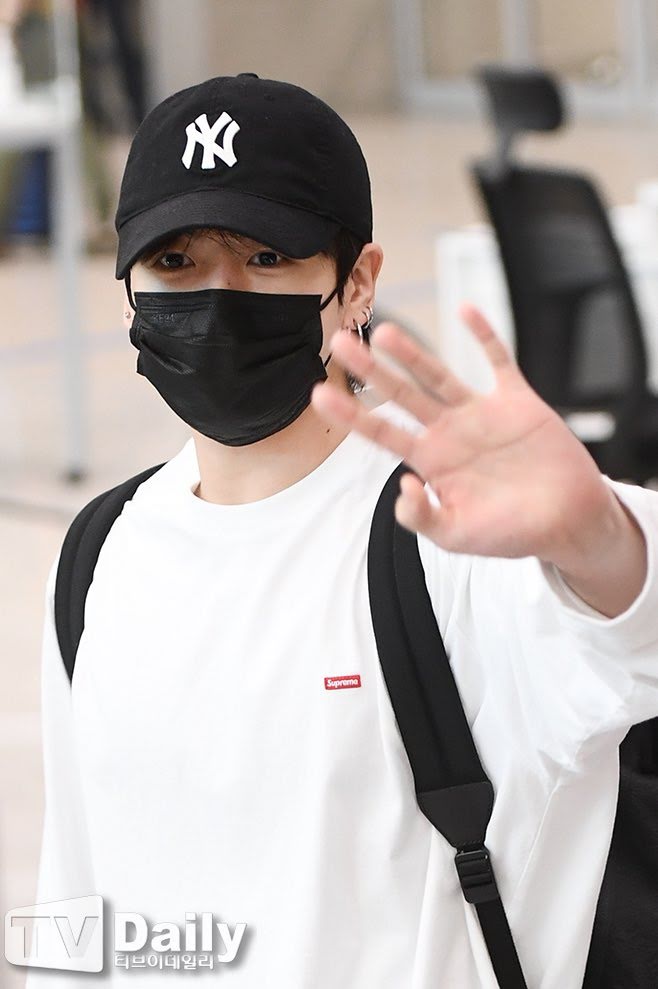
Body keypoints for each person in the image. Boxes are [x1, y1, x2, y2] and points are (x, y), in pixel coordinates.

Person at [27, 73, 658, 988]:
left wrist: (597, 530)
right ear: (126, 287)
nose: (218, 296)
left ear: (357, 281)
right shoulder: (97, 557)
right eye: (174, 261)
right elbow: (77, 903)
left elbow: (632, 633)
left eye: (265, 258)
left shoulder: (450, 533)